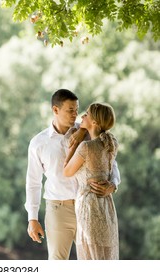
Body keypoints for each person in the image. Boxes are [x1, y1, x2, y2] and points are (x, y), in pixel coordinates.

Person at [24, 89, 120, 260]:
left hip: (90, 209)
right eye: (70, 110)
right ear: (55, 110)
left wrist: (113, 185)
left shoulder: (88, 131)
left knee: (93, 261)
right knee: (58, 263)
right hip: (58, 209)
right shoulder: (38, 143)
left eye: (77, 110)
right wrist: (32, 218)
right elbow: (33, 182)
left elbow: (111, 163)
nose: (75, 115)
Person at [63, 102, 119, 259]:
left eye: (86, 114)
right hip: (107, 205)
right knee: (106, 255)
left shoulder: (86, 147)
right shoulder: (112, 143)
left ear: (94, 122)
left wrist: (74, 144)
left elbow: (67, 171)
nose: (82, 116)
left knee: (90, 256)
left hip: (89, 206)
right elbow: (112, 169)